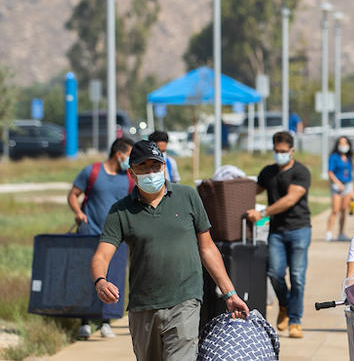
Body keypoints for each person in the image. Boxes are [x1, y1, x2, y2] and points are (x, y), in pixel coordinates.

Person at [92, 140, 249, 360]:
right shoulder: (121, 211)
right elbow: (101, 254)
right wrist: (101, 281)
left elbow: (207, 248)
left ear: (164, 166)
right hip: (143, 306)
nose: (151, 172)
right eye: (143, 167)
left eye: (155, 166)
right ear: (131, 173)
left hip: (185, 300)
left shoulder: (188, 197)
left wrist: (230, 293)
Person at [246, 131, 312, 339]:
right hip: (276, 231)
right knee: (274, 273)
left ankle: (295, 320)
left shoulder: (301, 172)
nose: (280, 154)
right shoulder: (268, 172)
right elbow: (251, 191)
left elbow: (291, 199)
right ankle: (284, 305)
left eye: (283, 151)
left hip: (299, 229)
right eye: (276, 151)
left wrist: (263, 213)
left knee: (297, 277)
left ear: (292, 151)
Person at [67, 136, 134, 340]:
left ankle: (106, 322)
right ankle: (84, 322)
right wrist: (78, 213)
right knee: (88, 277)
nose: (130, 160)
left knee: (113, 277)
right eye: (129, 155)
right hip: (90, 232)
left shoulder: (129, 177)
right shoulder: (92, 171)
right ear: (119, 153)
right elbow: (73, 195)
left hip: (116, 237)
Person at [327, 136, 354, 242]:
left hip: (348, 185)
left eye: (345, 143)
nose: (343, 145)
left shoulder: (349, 157)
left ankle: (341, 233)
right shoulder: (334, 157)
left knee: (344, 210)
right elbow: (330, 172)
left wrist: (352, 190)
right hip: (337, 186)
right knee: (335, 209)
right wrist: (338, 184)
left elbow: (350, 173)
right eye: (340, 143)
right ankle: (329, 232)